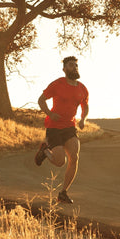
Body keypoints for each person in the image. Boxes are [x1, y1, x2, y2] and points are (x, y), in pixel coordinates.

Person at [34, 56, 89, 204]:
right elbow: (41, 99)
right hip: (54, 128)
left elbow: (85, 105)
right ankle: (45, 150)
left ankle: (63, 192)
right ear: (64, 69)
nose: (74, 68)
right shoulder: (57, 84)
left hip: (70, 127)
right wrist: (50, 113)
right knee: (60, 162)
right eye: (71, 65)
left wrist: (83, 119)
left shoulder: (82, 88)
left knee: (74, 158)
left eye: (76, 65)